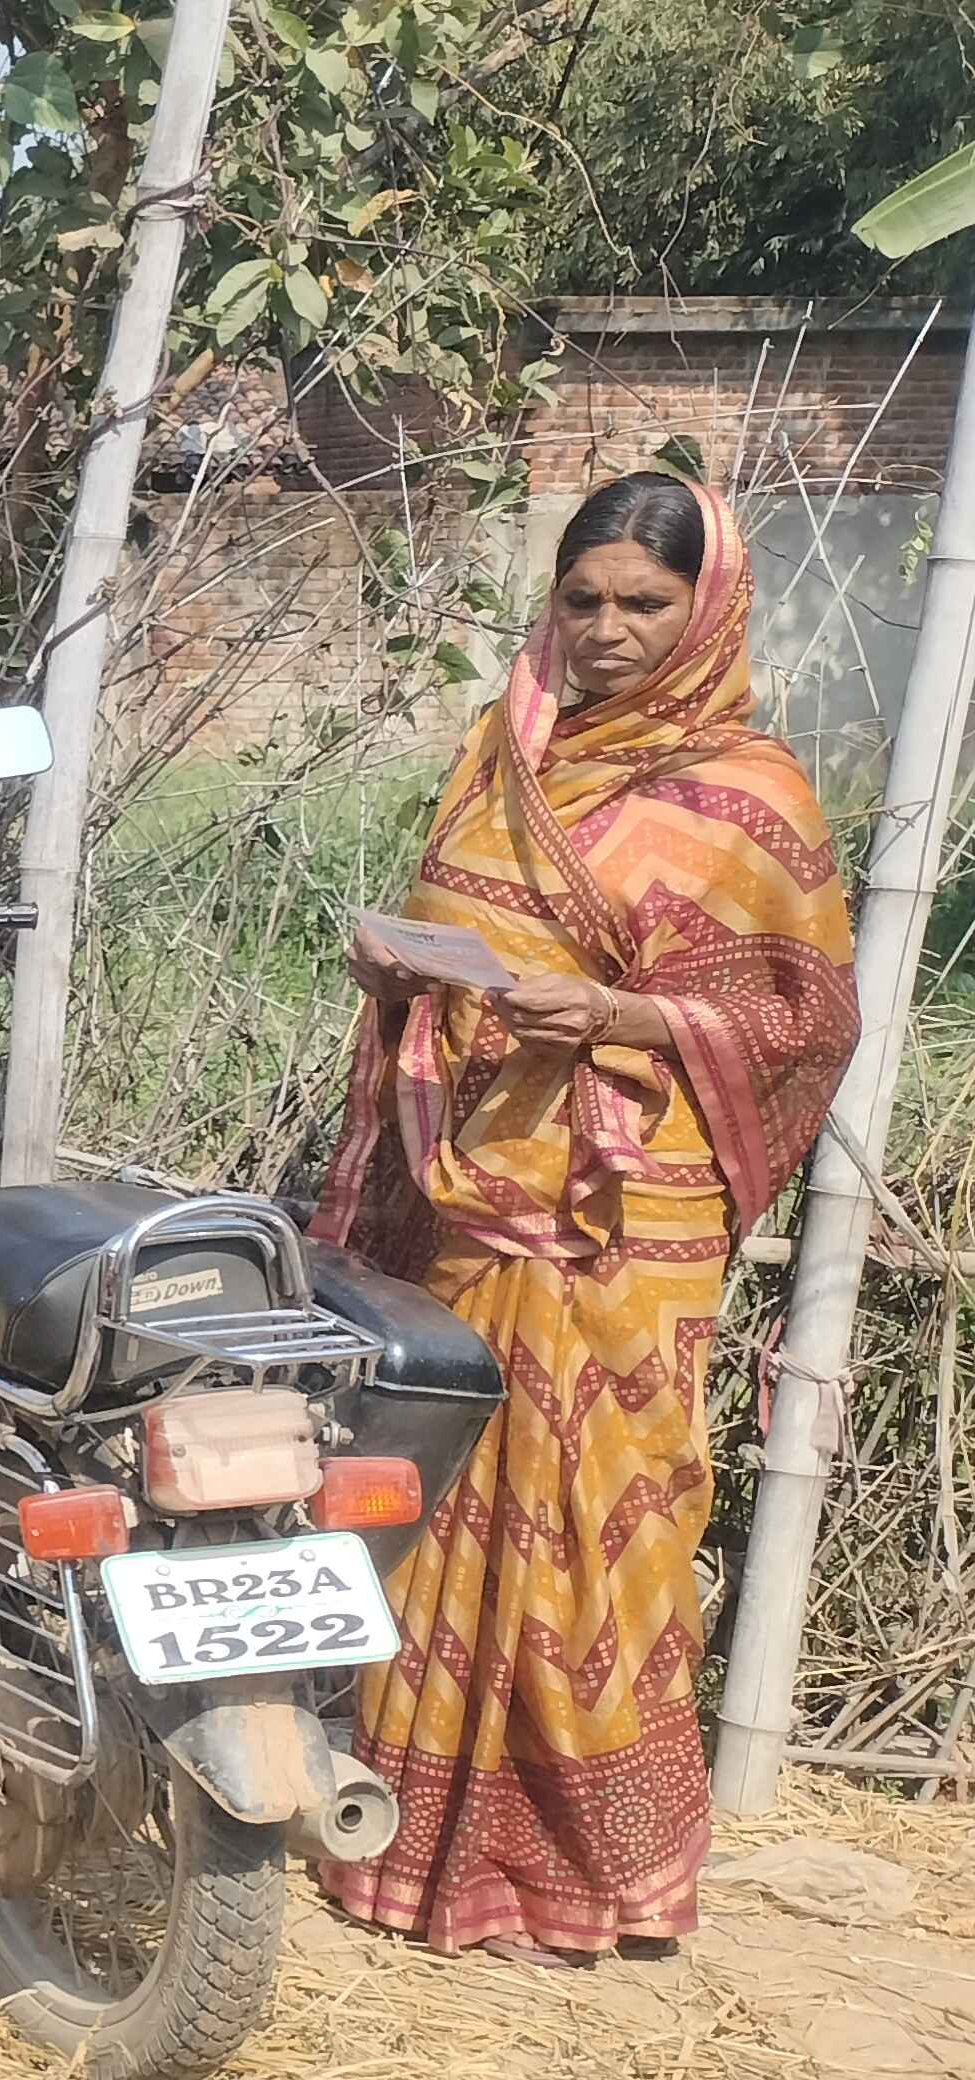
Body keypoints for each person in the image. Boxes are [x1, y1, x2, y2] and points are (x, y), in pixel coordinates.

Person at [316, 471, 855, 1966]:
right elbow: (457, 921)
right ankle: (415, 1850)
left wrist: (621, 1013)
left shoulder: (753, 795)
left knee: (598, 1525)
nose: (609, 630)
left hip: (627, 1217)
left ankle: (590, 1874)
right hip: (475, 1185)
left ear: (708, 609)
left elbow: (803, 1018)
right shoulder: (506, 751)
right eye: (584, 600)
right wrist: (396, 979)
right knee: (451, 1490)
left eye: (645, 603)